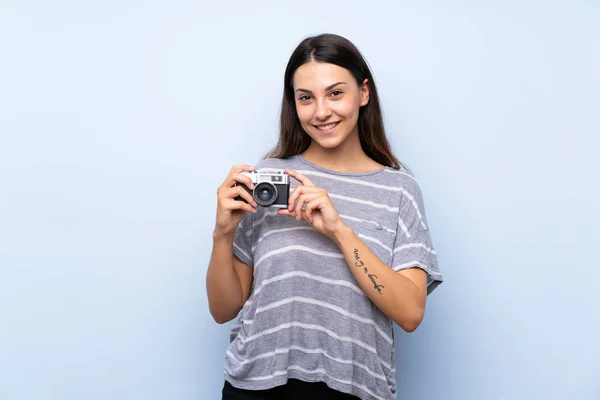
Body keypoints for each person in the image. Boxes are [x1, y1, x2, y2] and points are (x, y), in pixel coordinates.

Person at [206, 33, 443, 400]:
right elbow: (223, 310)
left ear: (363, 93)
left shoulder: (399, 191)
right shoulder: (270, 178)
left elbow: (410, 313)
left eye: (335, 93)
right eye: (306, 98)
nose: (321, 112)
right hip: (256, 386)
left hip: (354, 389)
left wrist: (339, 230)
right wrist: (222, 235)